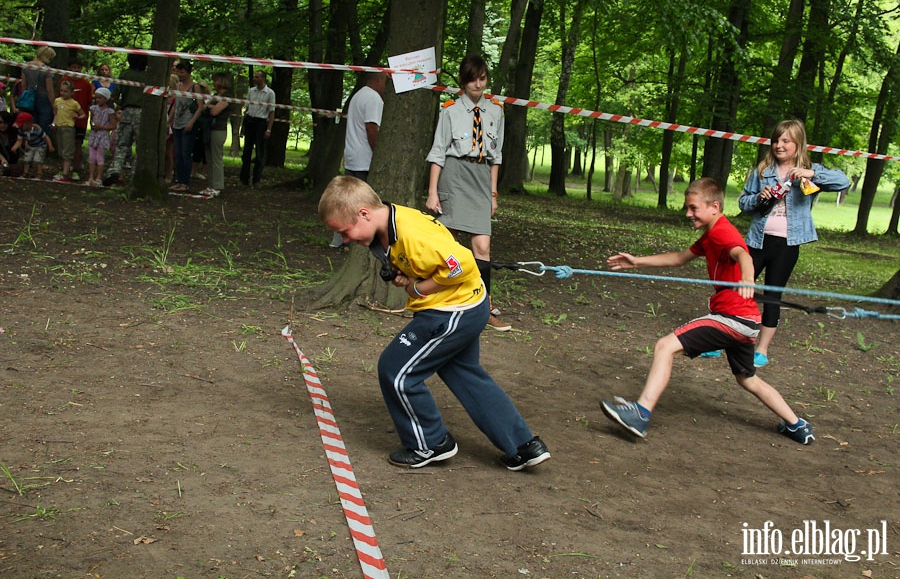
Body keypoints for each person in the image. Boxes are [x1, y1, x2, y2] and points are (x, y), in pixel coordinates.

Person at [318, 175, 551, 471]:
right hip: (463, 305)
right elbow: (426, 261)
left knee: (397, 371)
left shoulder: (412, 233)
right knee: (464, 374)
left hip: (454, 311)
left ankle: (430, 443)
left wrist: (418, 289)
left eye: (346, 232)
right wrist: (408, 275)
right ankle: (523, 446)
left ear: (364, 213)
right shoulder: (389, 221)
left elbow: (463, 265)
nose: (347, 240)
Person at [600, 178, 815, 446]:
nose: (688, 214)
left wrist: (748, 277)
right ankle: (797, 425)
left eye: (693, 208)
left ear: (714, 206)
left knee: (665, 346)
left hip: (732, 318)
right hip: (747, 323)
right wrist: (637, 262)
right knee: (747, 378)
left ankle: (640, 414)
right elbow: (680, 258)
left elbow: (743, 254)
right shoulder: (710, 234)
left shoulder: (723, 232)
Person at [736, 119, 850, 367]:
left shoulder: (809, 172)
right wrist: (758, 197)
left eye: (786, 141)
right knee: (736, 288)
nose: (779, 145)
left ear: (798, 144)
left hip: (787, 246)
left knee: (772, 295)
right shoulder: (762, 171)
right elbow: (743, 203)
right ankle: (721, 338)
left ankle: (761, 350)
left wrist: (811, 174)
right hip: (757, 241)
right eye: (776, 140)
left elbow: (843, 182)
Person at [425, 55, 509, 331]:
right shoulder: (450, 110)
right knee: (450, 243)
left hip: (482, 178)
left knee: (482, 246)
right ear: (464, 80)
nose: (478, 84)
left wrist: (493, 193)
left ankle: (483, 307)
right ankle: (445, 301)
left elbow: (496, 156)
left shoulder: (496, 110)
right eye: (473, 79)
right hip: (455, 175)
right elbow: (438, 152)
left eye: (482, 78)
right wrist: (432, 192)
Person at [330, 71, 387, 248]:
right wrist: (378, 152)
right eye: (386, 81)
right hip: (365, 158)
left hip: (353, 155)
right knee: (363, 203)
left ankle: (338, 239)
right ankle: (355, 240)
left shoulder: (358, 95)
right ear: (378, 79)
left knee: (347, 200)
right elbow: (371, 128)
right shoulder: (373, 99)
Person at [104, 53, 148, 186]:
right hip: (143, 113)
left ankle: (114, 170)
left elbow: (115, 94)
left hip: (127, 111)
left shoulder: (125, 75)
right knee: (141, 146)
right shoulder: (149, 77)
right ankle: (136, 174)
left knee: (122, 144)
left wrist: (121, 103)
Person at [203, 72, 241, 197]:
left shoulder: (227, 96)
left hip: (219, 130)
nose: (213, 83)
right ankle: (210, 185)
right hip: (210, 129)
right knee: (209, 158)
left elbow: (214, 111)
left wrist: (207, 107)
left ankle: (218, 186)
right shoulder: (215, 95)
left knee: (216, 158)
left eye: (216, 81)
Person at [169, 60, 204, 192]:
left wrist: (191, 122)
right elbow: (175, 104)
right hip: (177, 123)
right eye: (178, 72)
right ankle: (179, 180)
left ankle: (185, 182)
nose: (180, 74)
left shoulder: (195, 87)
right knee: (177, 154)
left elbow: (200, 107)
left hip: (188, 124)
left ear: (188, 72)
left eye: (182, 72)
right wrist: (169, 119)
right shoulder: (177, 86)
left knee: (185, 153)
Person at [239, 69, 275, 187]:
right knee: (246, 152)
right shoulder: (251, 91)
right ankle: (244, 178)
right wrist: (243, 126)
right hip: (250, 121)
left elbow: (271, 112)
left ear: (263, 78)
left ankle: (256, 179)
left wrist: (268, 128)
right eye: (254, 77)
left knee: (259, 153)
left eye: (258, 77)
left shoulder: (270, 93)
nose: (255, 79)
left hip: (261, 123)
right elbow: (247, 108)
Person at [62, 58, 94, 180]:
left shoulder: (86, 83)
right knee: (65, 144)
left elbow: (89, 102)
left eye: (78, 68)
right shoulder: (64, 81)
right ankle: (65, 168)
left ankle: (76, 168)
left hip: (80, 119)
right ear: (69, 68)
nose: (76, 70)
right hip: (65, 119)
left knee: (77, 143)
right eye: (73, 67)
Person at [52, 80, 86, 181]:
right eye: (61, 91)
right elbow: (56, 114)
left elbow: (83, 114)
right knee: (61, 150)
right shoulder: (57, 101)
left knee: (67, 151)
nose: (63, 93)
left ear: (71, 92)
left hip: (68, 128)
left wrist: (77, 116)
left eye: (66, 91)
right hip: (59, 127)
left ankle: (65, 174)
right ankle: (63, 170)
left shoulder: (74, 103)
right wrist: (54, 123)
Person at [21, 46, 57, 132]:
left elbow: (23, 85)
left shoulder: (26, 66)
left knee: (30, 125)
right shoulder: (47, 70)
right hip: (44, 99)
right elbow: (50, 90)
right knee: (43, 127)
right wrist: (54, 106)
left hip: (29, 99)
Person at [87, 88, 117, 186]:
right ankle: (91, 177)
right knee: (91, 157)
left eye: (100, 98)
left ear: (106, 99)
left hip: (103, 137)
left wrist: (102, 127)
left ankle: (98, 177)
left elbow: (114, 125)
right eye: (96, 98)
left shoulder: (110, 111)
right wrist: (93, 125)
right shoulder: (93, 108)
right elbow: (92, 119)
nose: (97, 100)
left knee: (99, 157)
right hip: (93, 135)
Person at [11, 111, 54, 178]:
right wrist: (15, 147)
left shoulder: (36, 130)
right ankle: (26, 172)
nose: (21, 127)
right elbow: (19, 140)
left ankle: (39, 174)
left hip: (40, 146)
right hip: (30, 145)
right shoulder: (21, 131)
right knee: (26, 159)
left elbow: (45, 137)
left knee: (38, 160)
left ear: (28, 123)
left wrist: (50, 146)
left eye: (22, 125)